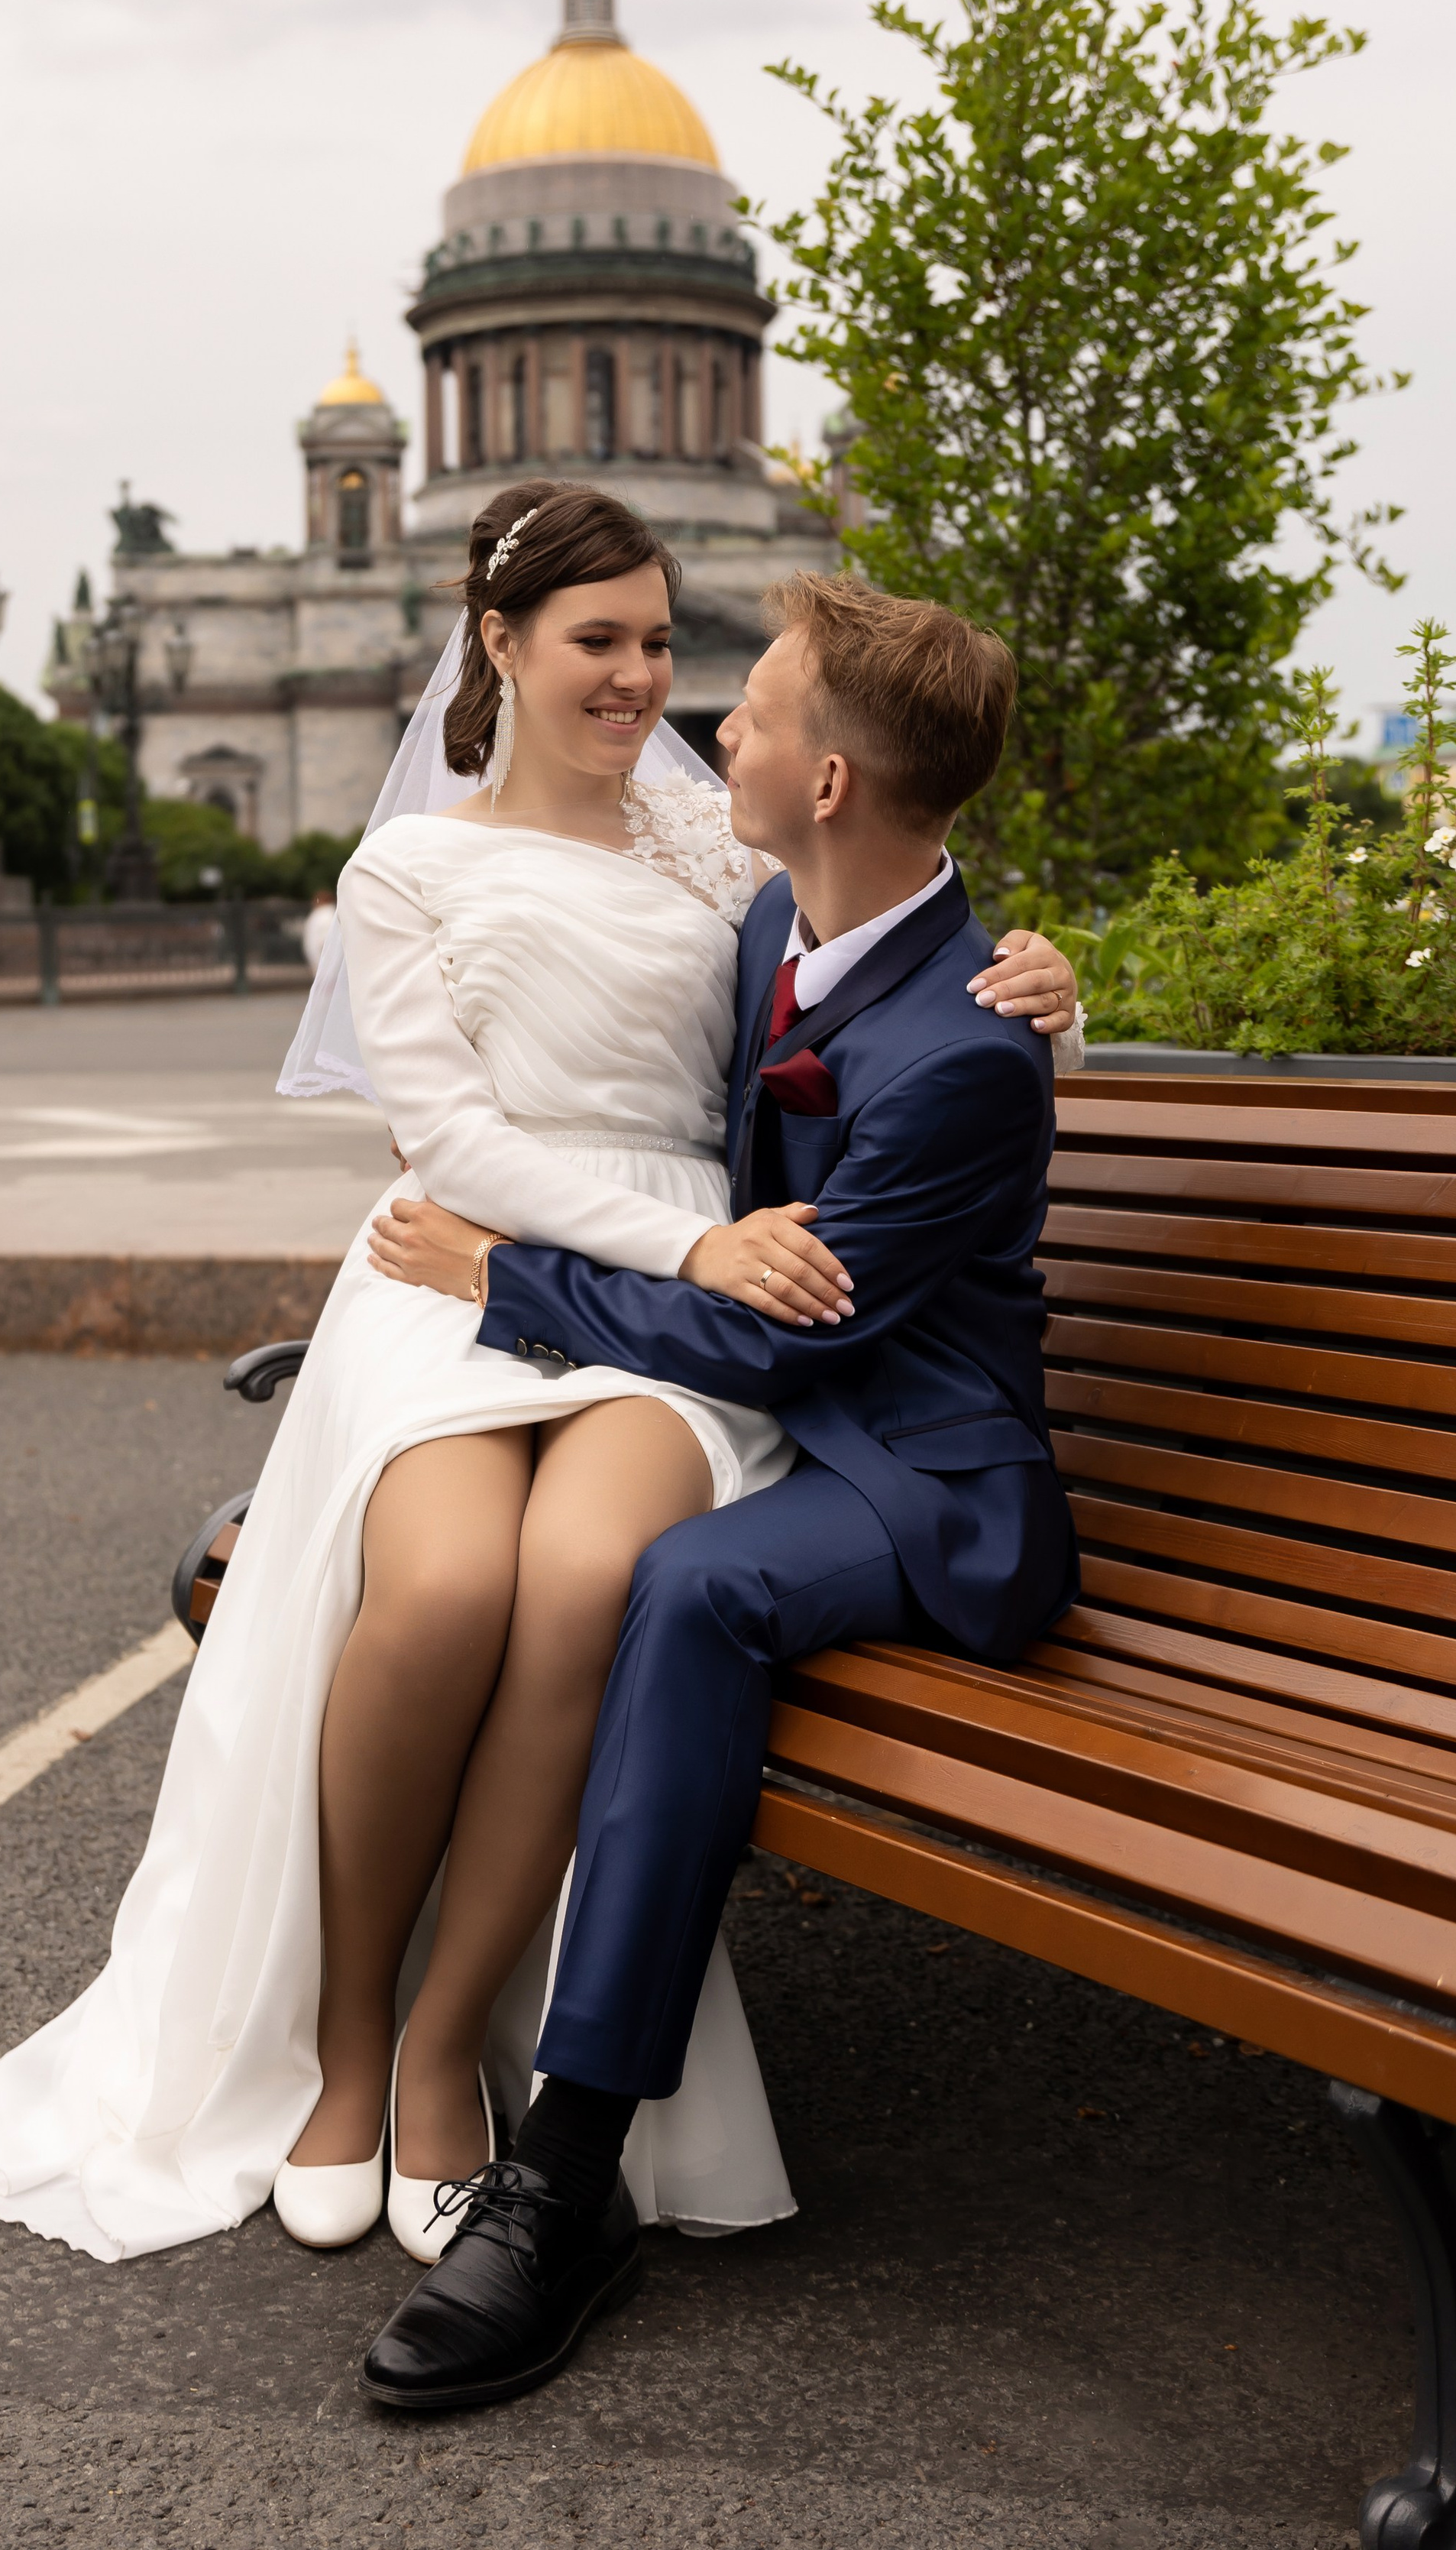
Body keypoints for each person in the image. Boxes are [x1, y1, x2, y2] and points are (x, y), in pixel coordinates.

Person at [0, 481, 1079, 2273]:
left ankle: (447, 2052)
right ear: (496, 643)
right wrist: (667, 1252)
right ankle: (344, 2045)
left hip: (667, 1291)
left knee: (586, 1580)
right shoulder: (398, 866)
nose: (648, 680)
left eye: (665, 645)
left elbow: (890, 940)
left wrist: (1060, 978)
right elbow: (450, 1138)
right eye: (602, 641)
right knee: (437, 1591)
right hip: (485, 1263)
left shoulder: (716, 848)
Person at [353, 565, 1082, 2407]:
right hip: (792, 1410)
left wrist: (498, 1275)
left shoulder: (961, 1050)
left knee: (684, 1584)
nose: (715, 732)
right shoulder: (778, 930)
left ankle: (569, 2167)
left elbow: (778, 1345)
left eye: (748, 712)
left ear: (824, 784)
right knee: (603, 1560)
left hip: (916, 1468)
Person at [300, 887, 337, 976]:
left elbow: (324, 940)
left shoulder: (325, 915)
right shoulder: (325, 914)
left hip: (323, 961)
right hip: (321, 960)